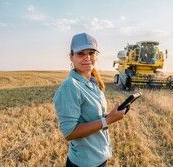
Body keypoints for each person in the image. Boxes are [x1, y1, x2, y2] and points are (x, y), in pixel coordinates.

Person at [53, 32, 126, 167]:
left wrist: (109, 115)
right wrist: (108, 120)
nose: (87, 57)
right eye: (81, 53)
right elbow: (69, 133)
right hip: (85, 163)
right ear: (71, 56)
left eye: (91, 53)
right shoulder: (70, 86)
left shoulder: (93, 83)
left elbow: (92, 118)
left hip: (100, 156)